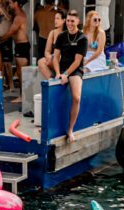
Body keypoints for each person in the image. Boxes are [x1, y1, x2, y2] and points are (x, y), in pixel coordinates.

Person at [52, 10, 88, 142]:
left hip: (74, 70)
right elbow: (55, 57)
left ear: (78, 21)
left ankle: (70, 129)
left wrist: (66, 74)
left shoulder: (82, 38)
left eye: (72, 21)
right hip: (61, 69)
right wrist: (57, 73)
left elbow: (77, 61)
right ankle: (50, 126)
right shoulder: (61, 36)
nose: (69, 23)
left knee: (76, 98)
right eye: (68, 20)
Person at [0, 0, 29, 103]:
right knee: (20, 72)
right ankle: (23, 96)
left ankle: (22, 96)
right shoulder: (16, 15)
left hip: (22, 46)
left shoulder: (19, 16)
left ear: (16, 3)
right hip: (19, 46)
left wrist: (0, 39)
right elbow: (8, 16)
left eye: (10, 3)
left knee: (21, 73)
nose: (9, 5)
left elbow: (10, 32)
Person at [0, 0, 15, 92]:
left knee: (7, 63)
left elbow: (9, 18)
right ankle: (1, 84)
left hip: (6, 39)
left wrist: (2, 9)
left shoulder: (9, 9)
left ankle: (11, 84)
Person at [37, 8, 65, 80]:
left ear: (63, 20)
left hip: (64, 60)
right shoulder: (52, 32)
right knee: (41, 61)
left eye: (58, 18)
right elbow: (47, 51)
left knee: (56, 59)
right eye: (55, 18)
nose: (55, 20)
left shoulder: (67, 33)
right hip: (54, 59)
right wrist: (49, 57)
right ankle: (51, 80)